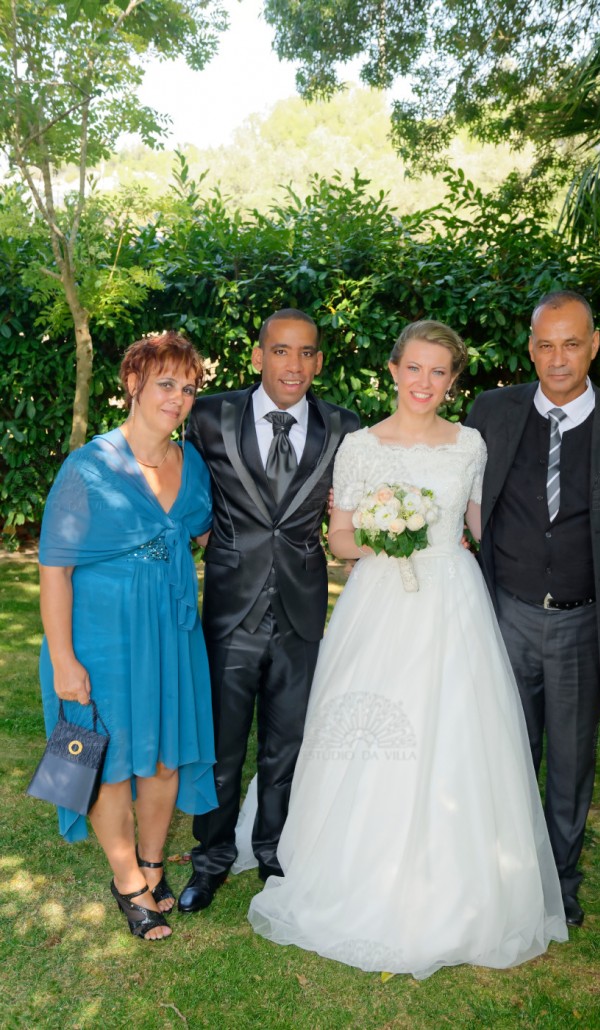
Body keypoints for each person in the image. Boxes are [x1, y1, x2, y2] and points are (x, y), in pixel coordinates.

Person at [247, 320, 568, 979]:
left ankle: (460, 882)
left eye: (438, 372)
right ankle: (357, 868)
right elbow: (339, 539)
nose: (424, 382)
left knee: (456, 733)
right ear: (393, 370)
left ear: (452, 382)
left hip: (454, 601)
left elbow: (481, 524)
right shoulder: (360, 446)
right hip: (380, 602)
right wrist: (391, 536)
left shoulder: (470, 445)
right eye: (414, 368)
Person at [465, 290, 600, 927]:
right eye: (545, 345)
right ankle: (500, 875)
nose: (558, 358)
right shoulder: (492, 413)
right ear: (531, 349)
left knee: (571, 761)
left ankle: (559, 881)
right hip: (504, 615)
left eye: (572, 344)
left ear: (594, 345)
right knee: (503, 752)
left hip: (585, 622)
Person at [178, 308, 359, 913]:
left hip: (301, 613)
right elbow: (188, 496)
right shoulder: (209, 417)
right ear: (259, 356)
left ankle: (274, 851)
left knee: (288, 745)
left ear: (319, 362)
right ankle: (210, 860)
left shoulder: (345, 427)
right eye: (281, 351)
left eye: (306, 353)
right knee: (221, 747)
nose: (294, 365)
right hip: (230, 614)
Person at [38, 332, 218, 941]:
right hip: (101, 638)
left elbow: (210, 536)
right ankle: (127, 882)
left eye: (188, 388)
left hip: (169, 634)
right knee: (107, 761)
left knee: (166, 754)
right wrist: (64, 659)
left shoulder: (191, 464)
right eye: (166, 383)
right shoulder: (88, 467)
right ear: (134, 384)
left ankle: (152, 862)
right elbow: (55, 570)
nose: (178, 398)